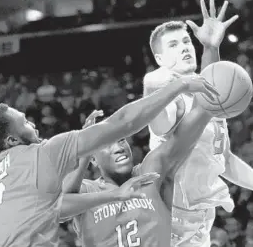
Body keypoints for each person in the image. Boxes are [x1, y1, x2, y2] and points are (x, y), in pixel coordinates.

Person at [143, 0, 253, 247]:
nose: (184, 47)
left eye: (186, 41)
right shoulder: (169, 95)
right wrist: (150, 85)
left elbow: (224, 160)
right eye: (172, 45)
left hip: (199, 222)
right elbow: (159, 124)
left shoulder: (211, 95)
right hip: (167, 218)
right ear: (159, 59)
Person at [0, 75, 214, 247]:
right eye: (24, 122)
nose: (32, 124)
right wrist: (178, 86)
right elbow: (123, 123)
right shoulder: (41, 155)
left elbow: (53, 206)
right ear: (12, 140)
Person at [61, 87, 217, 246]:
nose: (119, 147)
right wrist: (85, 150)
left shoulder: (150, 172)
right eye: (107, 144)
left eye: (121, 139)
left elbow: (184, 136)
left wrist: (211, 97)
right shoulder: (87, 191)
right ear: (93, 159)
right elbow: (57, 207)